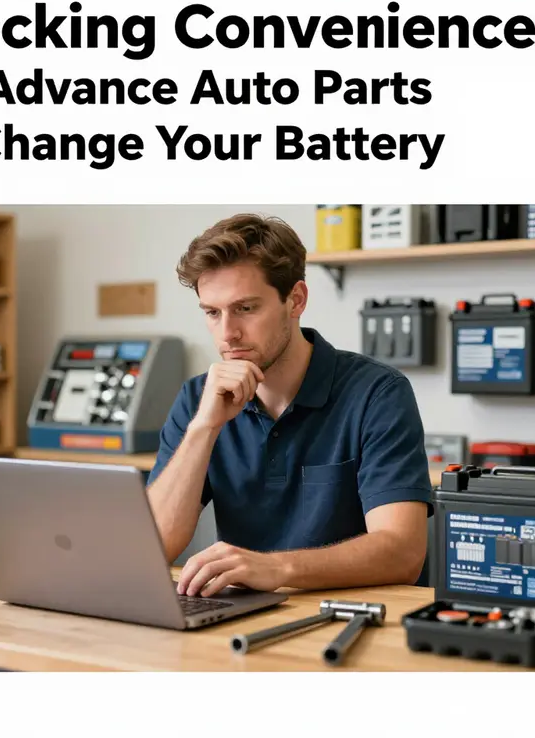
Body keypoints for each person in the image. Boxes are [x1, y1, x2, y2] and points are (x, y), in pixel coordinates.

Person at [146, 213, 432, 598]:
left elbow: (403, 552)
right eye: (212, 313)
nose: (227, 333)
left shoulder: (379, 393)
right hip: (241, 617)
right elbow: (155, 546)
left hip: (350, 618)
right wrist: (204, 428)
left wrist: (276, 567)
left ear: (296, 300)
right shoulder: (199, 399)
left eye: (246, 308)